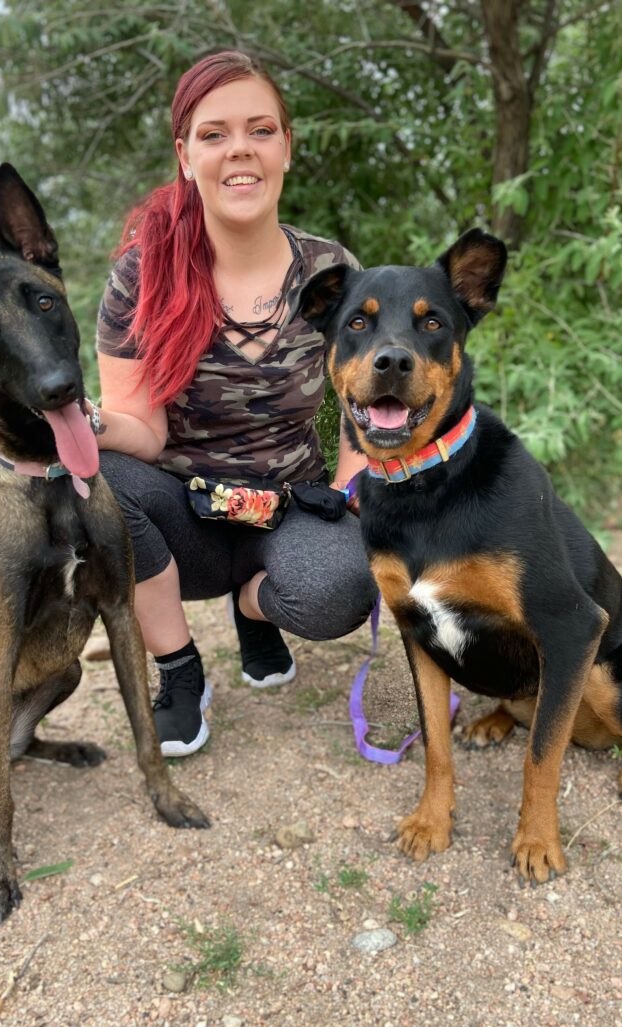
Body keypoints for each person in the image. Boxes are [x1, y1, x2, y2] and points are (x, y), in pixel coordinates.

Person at [92, 50, 377, 756]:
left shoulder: (333, 270)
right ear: (185, 157)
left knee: (340, 591)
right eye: (214, 134)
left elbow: (358, 405)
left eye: (260, 130)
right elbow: (143, 433)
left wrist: (348, 491)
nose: (239, 149)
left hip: (290, 507)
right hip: (181, 518)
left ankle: (255, 608)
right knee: (97, 484)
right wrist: (81, 425)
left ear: (286, 147)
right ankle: (180, 673)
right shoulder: (142, 277)